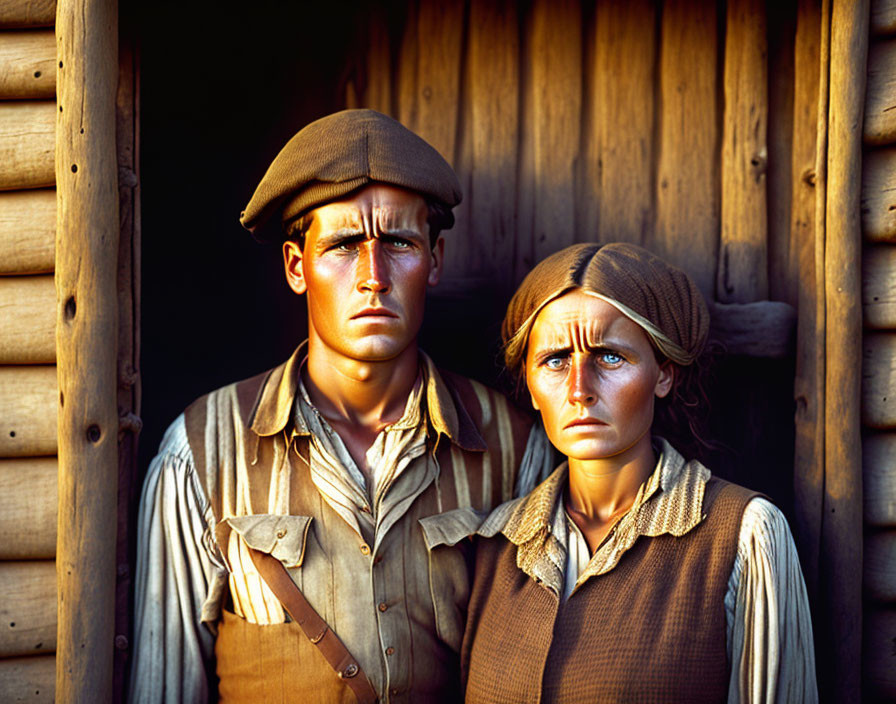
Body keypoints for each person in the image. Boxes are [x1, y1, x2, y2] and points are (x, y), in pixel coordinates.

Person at [129, 109, 552, 704]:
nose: (373, 277)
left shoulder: (515, 447)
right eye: (344, 245)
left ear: (435, 260)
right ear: (297, 267)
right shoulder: (199, 452)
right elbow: (164, 687)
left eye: (399, 243)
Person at [461, 242, 818, 703]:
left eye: (609, 356)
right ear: (529, 385)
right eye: (555, 360)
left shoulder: (744, 536)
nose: (579, 390)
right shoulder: (494, 547)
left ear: (663, 374)